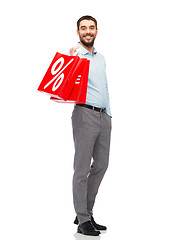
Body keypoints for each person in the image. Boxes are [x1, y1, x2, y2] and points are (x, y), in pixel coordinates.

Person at [70, 15, 112, 236]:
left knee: (102, 164)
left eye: (91, 27)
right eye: (83, 28)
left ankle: (85, 212)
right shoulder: (75, 56)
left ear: (97, 30)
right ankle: (83, 218)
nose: (88, 31)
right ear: (78, 32)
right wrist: (69, 58)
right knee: (82, 168)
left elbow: (104, 86)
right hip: (85, 114)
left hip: (104, 116)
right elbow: (62, 79)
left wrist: (110, 115)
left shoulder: (101, 57)